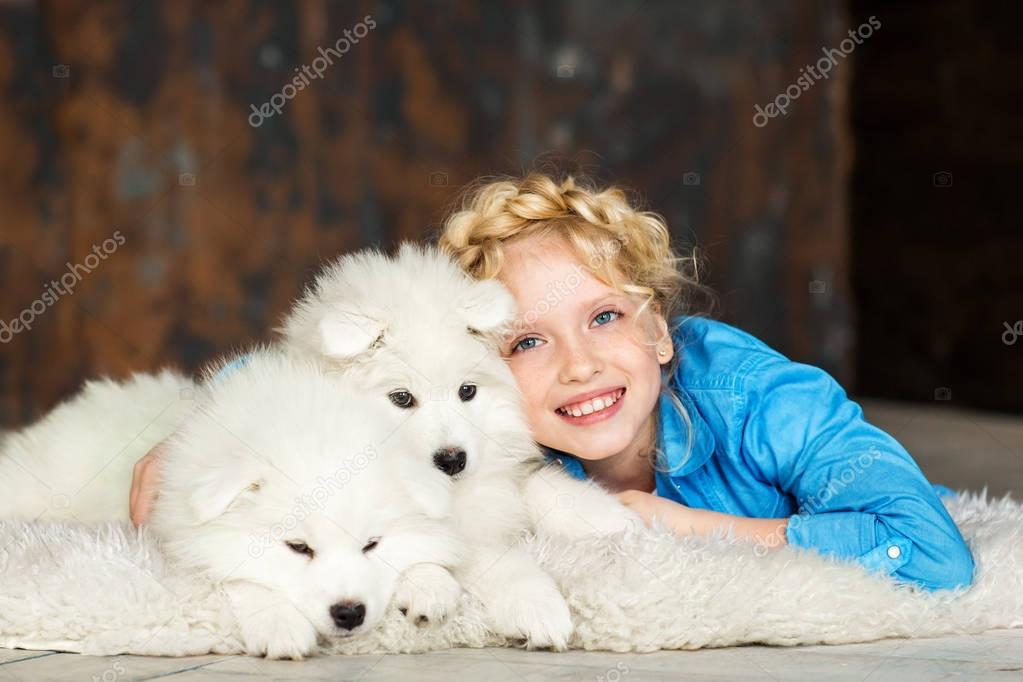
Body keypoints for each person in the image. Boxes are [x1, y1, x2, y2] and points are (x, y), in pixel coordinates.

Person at [130, 172, 975, 593]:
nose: (578, 364)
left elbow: (932, 553)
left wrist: (679, 525)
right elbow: (300, 377)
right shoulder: (482, 428)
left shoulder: (760, 399)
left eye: (606, 318)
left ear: (656, 329)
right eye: (528, 340)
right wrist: (200, 436)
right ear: (481, 365)